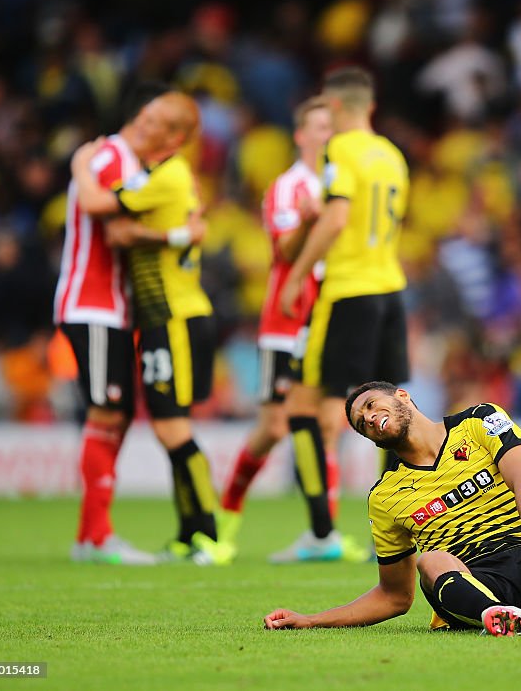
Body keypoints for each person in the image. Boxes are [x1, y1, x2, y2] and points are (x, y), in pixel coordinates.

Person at [263, 381, 521, 635]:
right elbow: (394, 596)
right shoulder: (384, 496)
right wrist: (312, 620)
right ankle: (499, 617)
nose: (370, 419)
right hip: (471, 580)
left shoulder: (480, 420)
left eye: (372, 406)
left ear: (402, 397)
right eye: (361, 423)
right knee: (429, 559)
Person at [71, 91, 230, 565]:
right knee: (168, 425)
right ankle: (189, 533)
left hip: (174, 317)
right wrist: (180, 232)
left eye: (155, 120)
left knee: (171, 425)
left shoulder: (169, 176)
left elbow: (107, 215)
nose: (142, 123)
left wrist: (80, 165)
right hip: (167, 317)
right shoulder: (169, 178)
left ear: (175, 137)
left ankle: (208, 533)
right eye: (143, 114)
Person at [214, 97, 364, 562]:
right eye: (318, 125)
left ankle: (326, 535)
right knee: (274, 426)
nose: (326, 133)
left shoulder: (343, 183)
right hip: (287, 320)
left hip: (329, 318)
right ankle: (225, 520)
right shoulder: (288, 187)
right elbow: (283, 253)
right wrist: (308, 218)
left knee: (327, 425)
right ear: (300, 134)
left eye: (331, 126)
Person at [274, 67, 410, 561]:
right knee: (395, 413)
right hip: (391, 290)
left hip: (350, 291)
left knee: (308, 410)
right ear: (369, 106)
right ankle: (401, 529)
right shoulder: (393, 156)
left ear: (333, 108)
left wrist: (295, 276)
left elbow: (336, 217)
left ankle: (321, 534)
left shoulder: (343, 150)